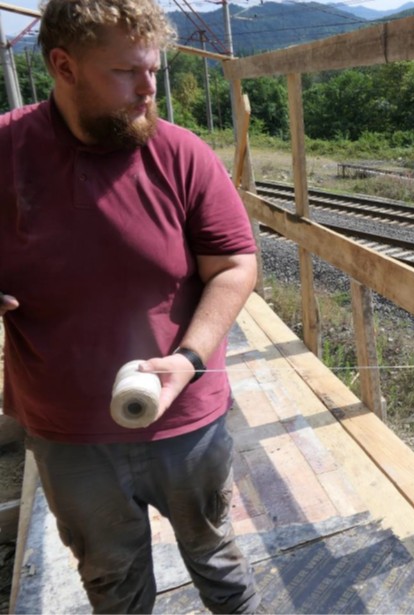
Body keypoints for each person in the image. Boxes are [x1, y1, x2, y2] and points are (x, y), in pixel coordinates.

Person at [0, 0, 261, 612]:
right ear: (63, 66)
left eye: (154, 68)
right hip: (67, 433)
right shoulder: (6, 150)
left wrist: (191, 357)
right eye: (126, 73)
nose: (150, 89)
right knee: (112, 584)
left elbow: (233, 264)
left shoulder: (180, 153)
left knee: (220, 563)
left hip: (186, 420)